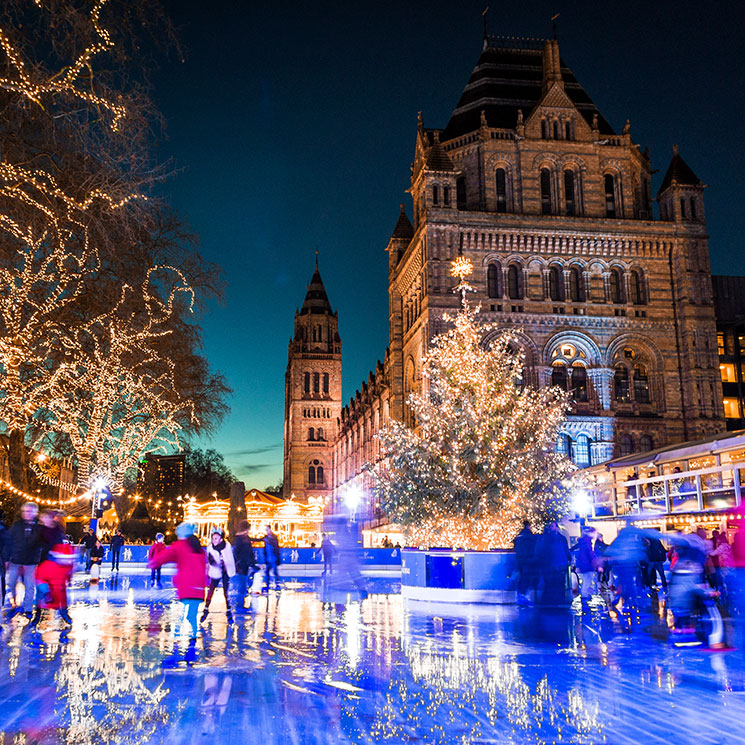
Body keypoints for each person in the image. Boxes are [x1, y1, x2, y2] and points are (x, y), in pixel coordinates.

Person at [148, 522, 206, 665]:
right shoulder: (199, 549)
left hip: (186, 588)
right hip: (199, 589)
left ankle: (176, 647)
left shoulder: (180, 546)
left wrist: (153, 563)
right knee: (191, 615)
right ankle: (192, 640)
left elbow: (166, 555)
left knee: (179, 616)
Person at [6, 502, 42, 619]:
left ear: (35, 513)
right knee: (11, 583)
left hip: (31, 561)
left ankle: (28, 608)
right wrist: (7, 558)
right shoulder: (17, 526)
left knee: (29, 585)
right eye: (26, 511)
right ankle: (14, 602)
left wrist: (38, 557)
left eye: (31, 511)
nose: (28, 514)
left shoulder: (39, 527)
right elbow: (9, 542)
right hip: (15, 560)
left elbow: (42, 544)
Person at [28, 542, 75, 630]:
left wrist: (69, 579)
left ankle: (64, 615)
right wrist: (47, 591)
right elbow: (39, 578)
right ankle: (37, 617)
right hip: (47, 584)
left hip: (58, 586)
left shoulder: (66, 563)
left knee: (61, 599)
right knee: (41, 598)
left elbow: (69, 570)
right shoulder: (47, 565)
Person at [201, 527, 236, 624]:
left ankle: (228, 610)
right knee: (211, 590)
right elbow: (210, 560)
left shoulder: (227, 546)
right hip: (216, 571)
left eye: (216, 538)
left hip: (225, 571)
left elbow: (230, 558)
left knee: (226, 591)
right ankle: (206, 608)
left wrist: (227, 566)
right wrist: (215, 564)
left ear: (221, 539)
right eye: (213, 538)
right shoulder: (210, 548)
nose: (214, 540)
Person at [534, 521, 571, 605]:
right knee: (552, 583)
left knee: (557, 584)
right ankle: (554, 601)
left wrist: (568, 559)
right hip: (553, 565)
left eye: (553, 526)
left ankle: (556, 601)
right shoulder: (551, 538)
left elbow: (565, 550)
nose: (551, 528)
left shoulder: (557, 538)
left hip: (558, 564)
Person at [231, 521, 257, 612]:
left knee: (244, 584)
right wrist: (238, 563)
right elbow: (237, 552)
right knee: (242, 585)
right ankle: (239, 605)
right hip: (241, 565)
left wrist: (253, 563)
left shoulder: (244, 538)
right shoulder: (240, 539)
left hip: (245, 564)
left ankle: (241, 604)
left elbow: (249, 552)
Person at [574, 526, 599, 610]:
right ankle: (585, 598)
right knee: (587, 582)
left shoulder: (583, 542)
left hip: (584, 565)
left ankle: (585, 597)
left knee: (586, 581)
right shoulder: (587, 542)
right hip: (587, 565)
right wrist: (596, 563)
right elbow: (590, 554)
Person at [512, 521, 537, 605]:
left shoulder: (519, 537)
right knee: (526, 578)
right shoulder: (530, 537)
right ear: (528, 526)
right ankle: (523, 596)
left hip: (520, 560)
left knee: (521, 578)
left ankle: (520, 596)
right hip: (528, 560)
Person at [263, 525, 281, 590]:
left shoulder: (273, 537)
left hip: (273, 557)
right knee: (268, 571)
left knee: (274, 571)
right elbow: (259, 540)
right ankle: (268, 584)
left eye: (267, 529)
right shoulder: (266, 537)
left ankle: (277, 584)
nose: (267, 531)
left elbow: (276, 547)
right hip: (268, 557)